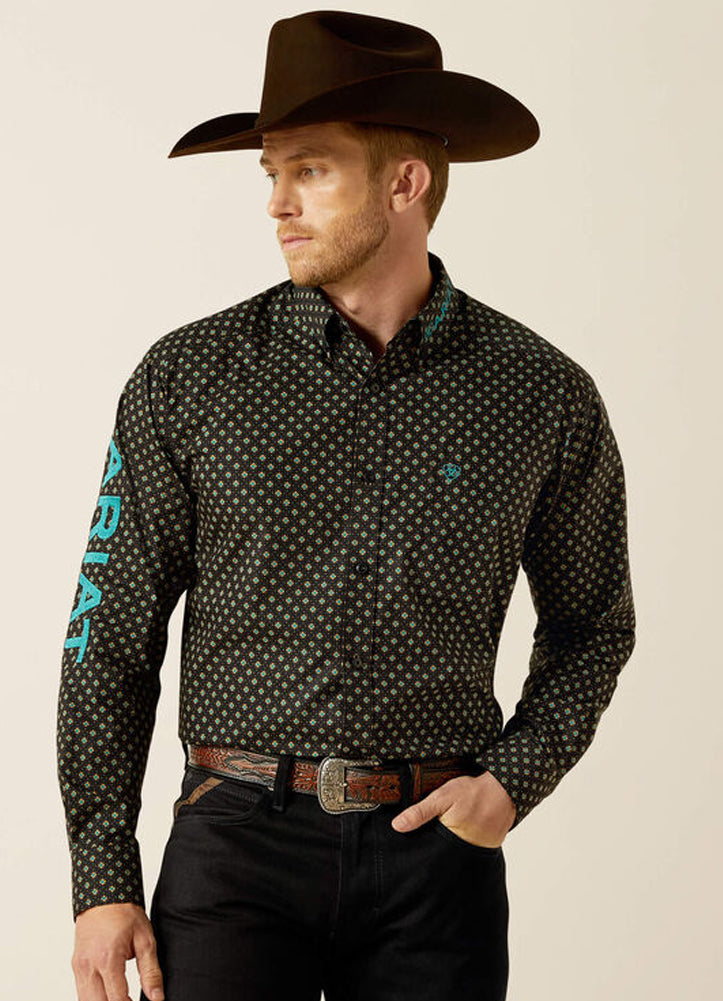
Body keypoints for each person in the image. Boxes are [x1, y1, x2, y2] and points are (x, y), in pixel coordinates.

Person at [57, 10, 636, 1001]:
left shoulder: (540, 394)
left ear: (403, 184)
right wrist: (102, 878)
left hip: (436, 863)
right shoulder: (187, 378)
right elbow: (107, 634)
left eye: (310, 170)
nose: (276, 203)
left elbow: (594, 624)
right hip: (234, 852)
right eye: (271, 173)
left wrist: (511, 782)